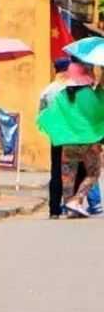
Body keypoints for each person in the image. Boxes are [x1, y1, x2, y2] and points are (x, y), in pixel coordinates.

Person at [38, 62, 104, 218]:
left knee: (68, 176)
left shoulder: (62, 95)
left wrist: (56, 135)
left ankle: (69, 209)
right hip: (86, 142)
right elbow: (98, 113)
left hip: (66, 143)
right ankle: (76, 199)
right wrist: (100, 87)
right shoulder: (88, 94)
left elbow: (48, 115)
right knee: (93, 172)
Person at [40, 58, 76, 218]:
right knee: (71, 171)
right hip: (72, 136)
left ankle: (54, 209)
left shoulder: (47, 90)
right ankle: (71, 206)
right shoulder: (71, 89)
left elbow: (41, 115)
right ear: (65, 71)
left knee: (56, 172)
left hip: (56, 136)